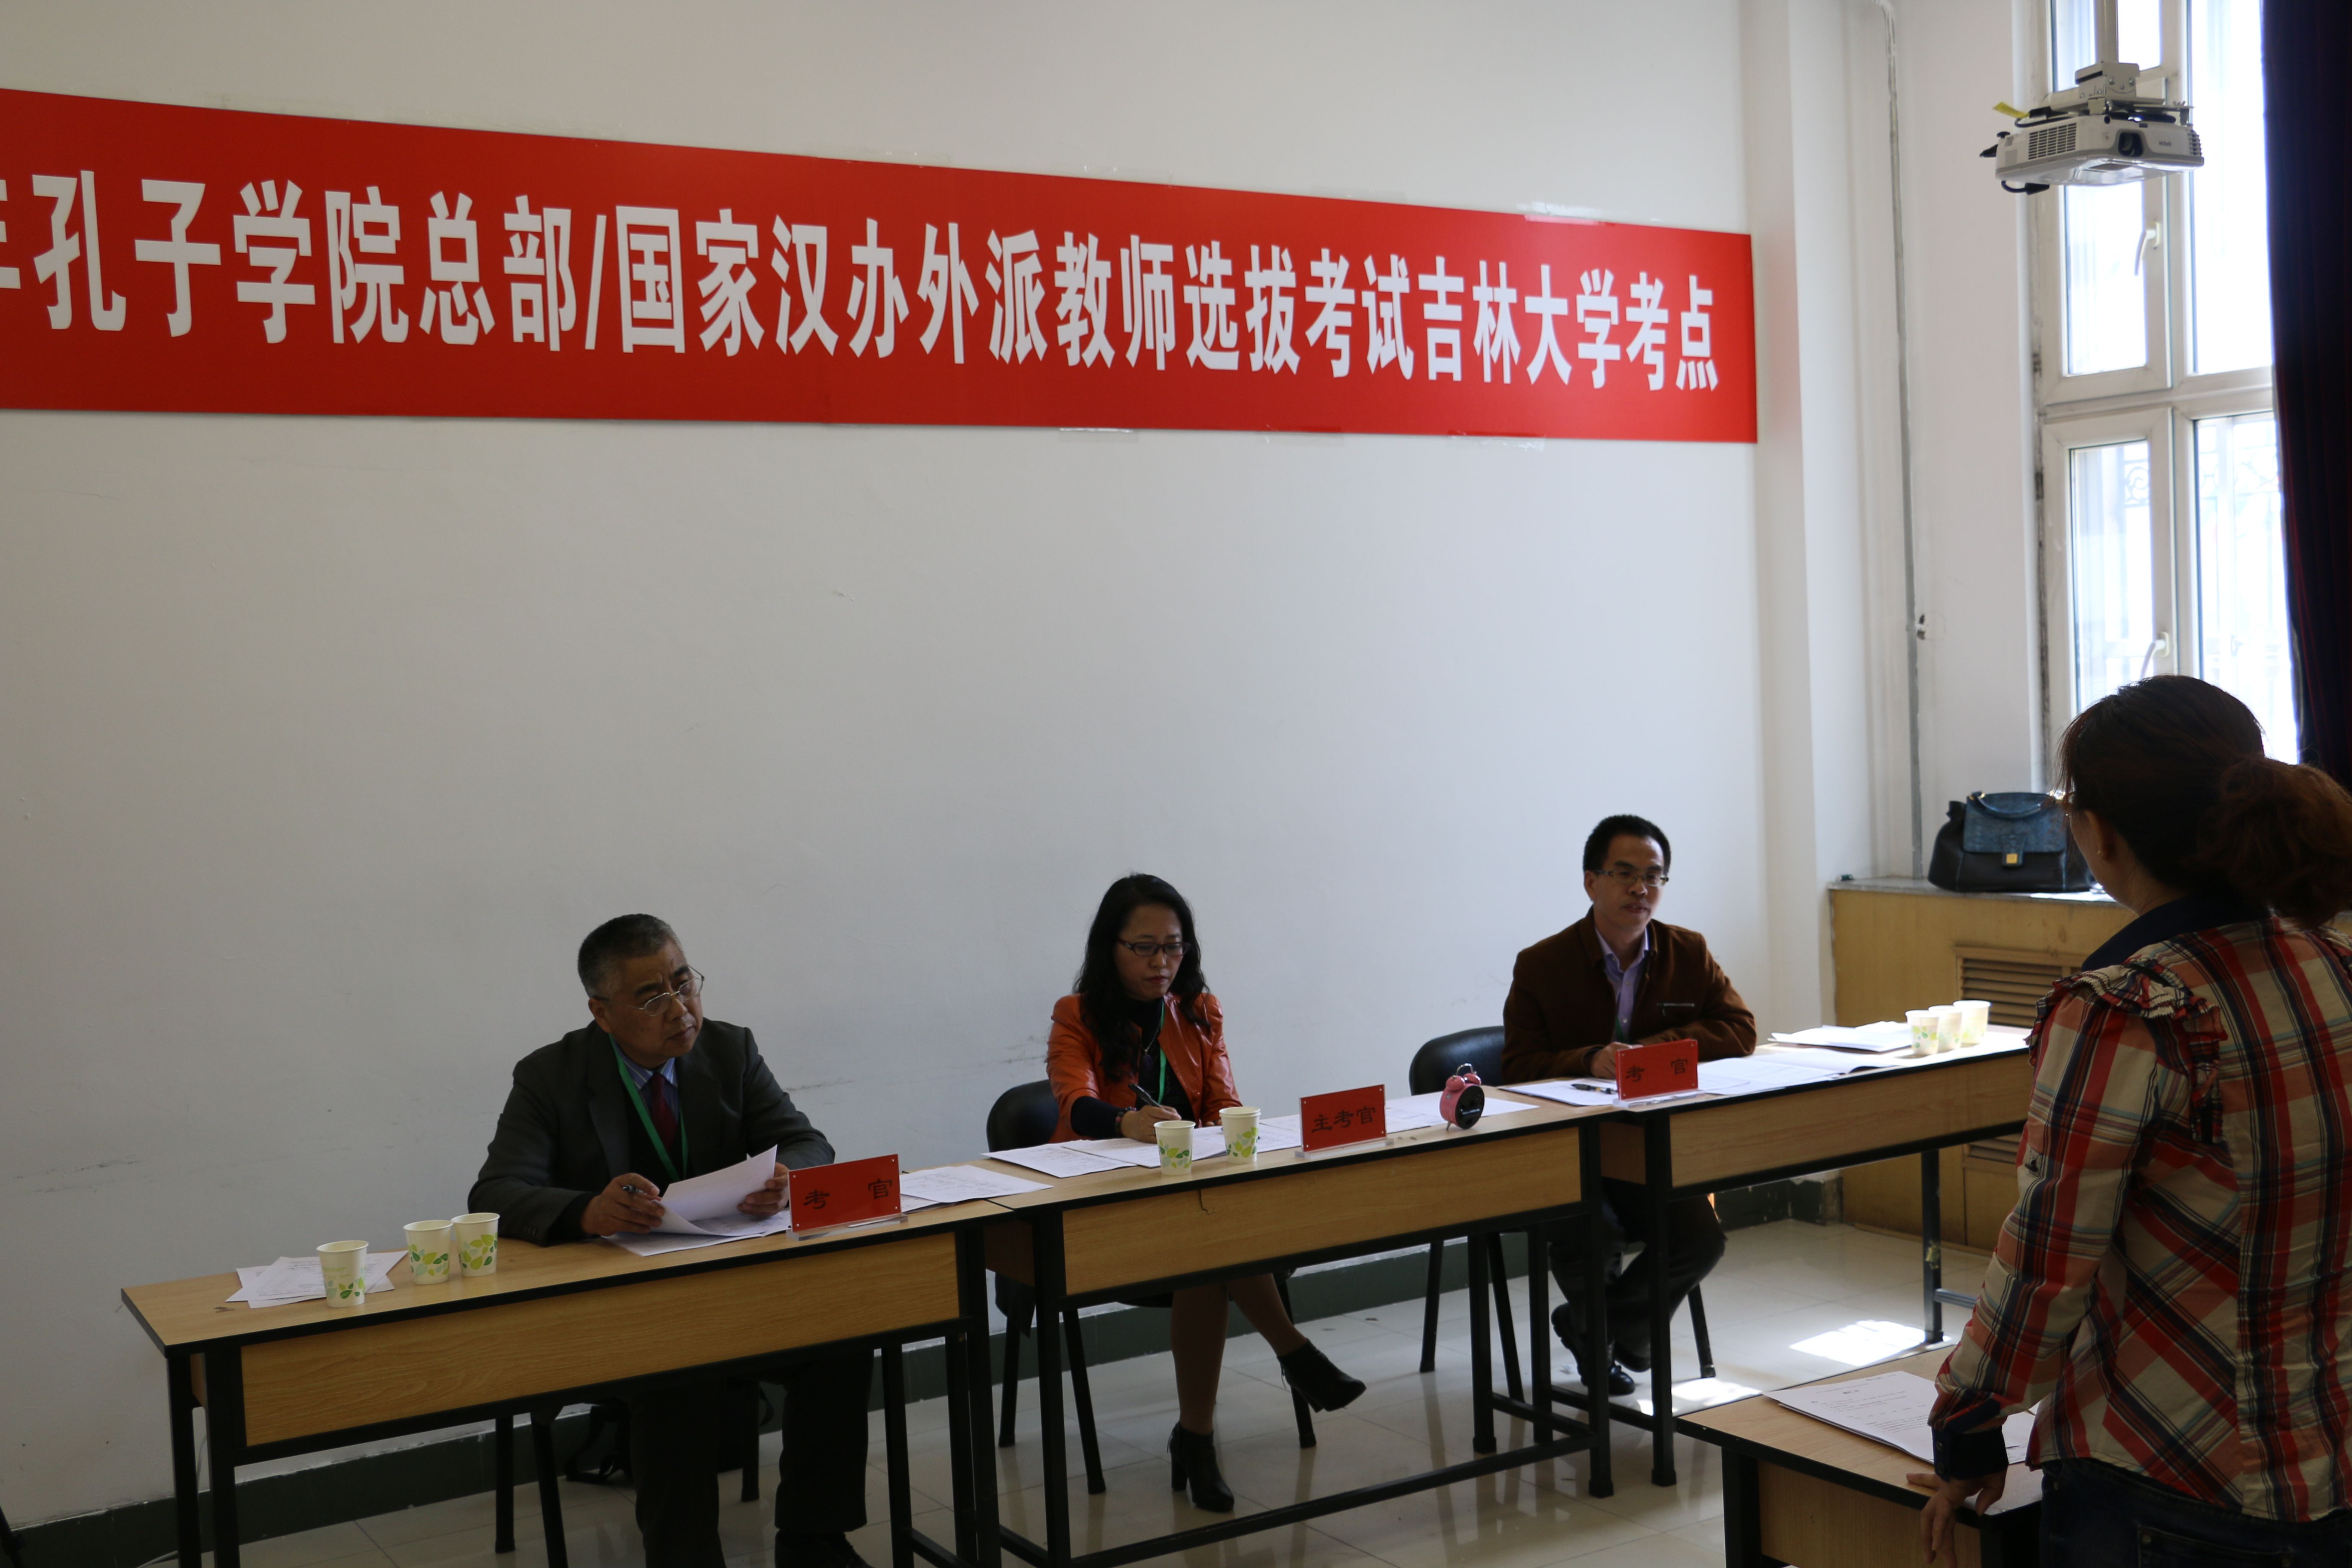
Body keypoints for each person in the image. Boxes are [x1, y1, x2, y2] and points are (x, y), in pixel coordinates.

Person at [1918, 676, 2352, 1565]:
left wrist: (1968, 1422)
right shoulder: (2336, 965)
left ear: (2100, 832)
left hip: (2175, 1469)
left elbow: (2049, 1259)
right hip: (2336, 1457)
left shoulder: (2130, 1008)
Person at [470, 915, 875, 1568]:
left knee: (842, 1342)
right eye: (652, 998)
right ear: (602, 1013)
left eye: (684, 984)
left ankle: (814, 1540)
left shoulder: (730, 1049)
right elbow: (496, 1191)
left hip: (728, 1287)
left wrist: (788, 1176)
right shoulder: (551, 1076)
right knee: (677, 1372)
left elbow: (806, 1140)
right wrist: (588, 1211)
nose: (680, 1009)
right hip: (619, 1306)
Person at [1045, 873, 1366, 1512]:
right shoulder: (1075, 1014)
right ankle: (1294, 1355)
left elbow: (1222, 1101)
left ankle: (1196, 1438)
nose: (1161, 963)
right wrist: (1126, 1122)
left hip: (1193, 1206)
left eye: (1174, 946)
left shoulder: (1198, 1010)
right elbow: (1074, 1102)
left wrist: (1236, 1129)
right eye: (1144, 947)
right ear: (1110, 947)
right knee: (1212, 1247)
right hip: (1107, 1209)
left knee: (1207, 1253)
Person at [1500, 814, 1755, 1396]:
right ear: (1591, 881)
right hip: (1570, 1149)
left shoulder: (1687, 950)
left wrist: (1650, 1052)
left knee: (1701, 1237)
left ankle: (1596, 1329)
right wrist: (1590, 1059)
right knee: (1591, 1230)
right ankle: (1616, 1341)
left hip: (1647, 1144)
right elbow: (1517, 1067)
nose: (1641, 889)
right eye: (1625, 874)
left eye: (1654, 876)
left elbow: (1739, 1028)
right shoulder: (1542, 964)